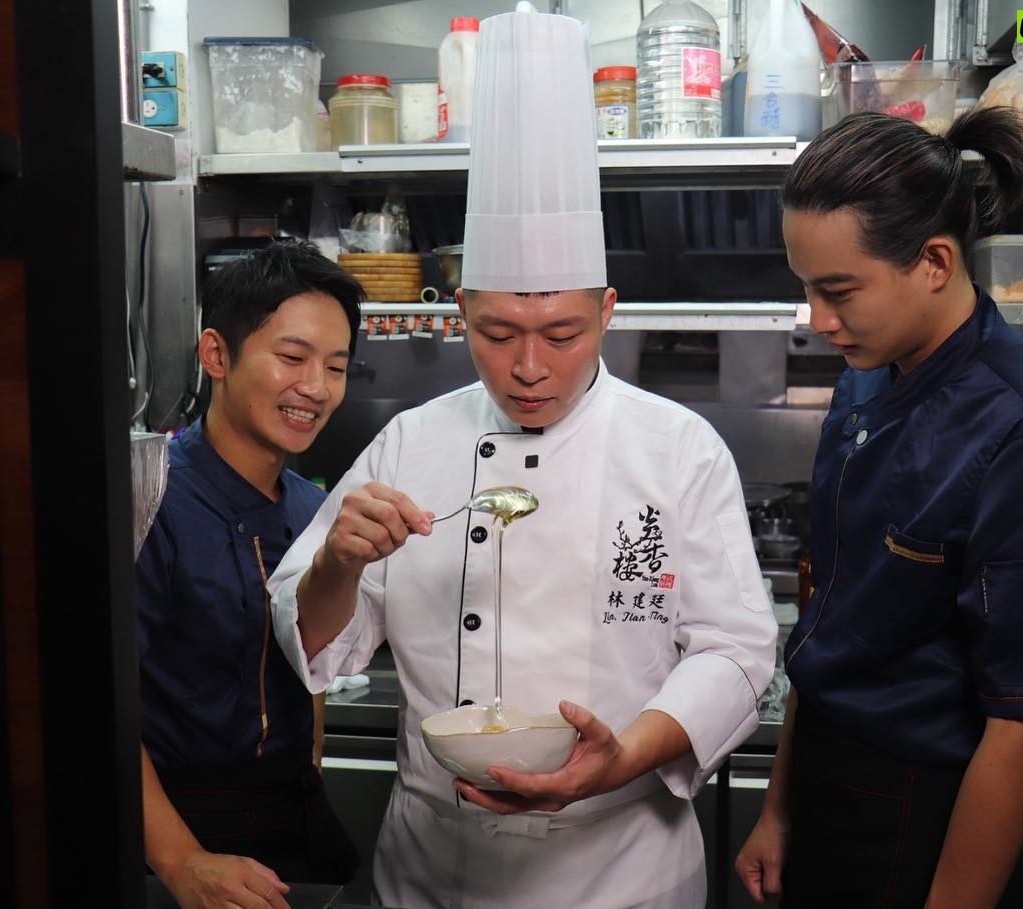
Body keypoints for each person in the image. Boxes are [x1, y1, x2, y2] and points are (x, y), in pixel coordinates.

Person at [265, 7, 776, 908]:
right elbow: (315, 644)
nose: (529, 367)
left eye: (562, 333)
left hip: (620, 872)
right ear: (461, 309)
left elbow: (735, 651)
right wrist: (339, 562)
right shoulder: (412, 442)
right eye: (497, 333)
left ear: (607, 311)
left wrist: (625, 752)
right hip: (433, 870)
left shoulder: (678, 449)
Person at [734, 108, 1023, 908]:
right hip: (829, 787)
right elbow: (832, 611)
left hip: (935, 812)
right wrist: (780, 807)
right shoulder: (867, 380)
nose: (818, 320)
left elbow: (1022, 732)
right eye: (806, 287)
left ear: (935, 261)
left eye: (838, 290)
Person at [137, 241, 363, 909]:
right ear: (216, 355)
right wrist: (182, 862)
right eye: (292, 358)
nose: (316, 388)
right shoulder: (151, 501)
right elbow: (91, 700)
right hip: (170, 828)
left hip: (289, 819)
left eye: (336, 366)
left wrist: (310, 765)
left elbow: (308, 665)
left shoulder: (311, 508)